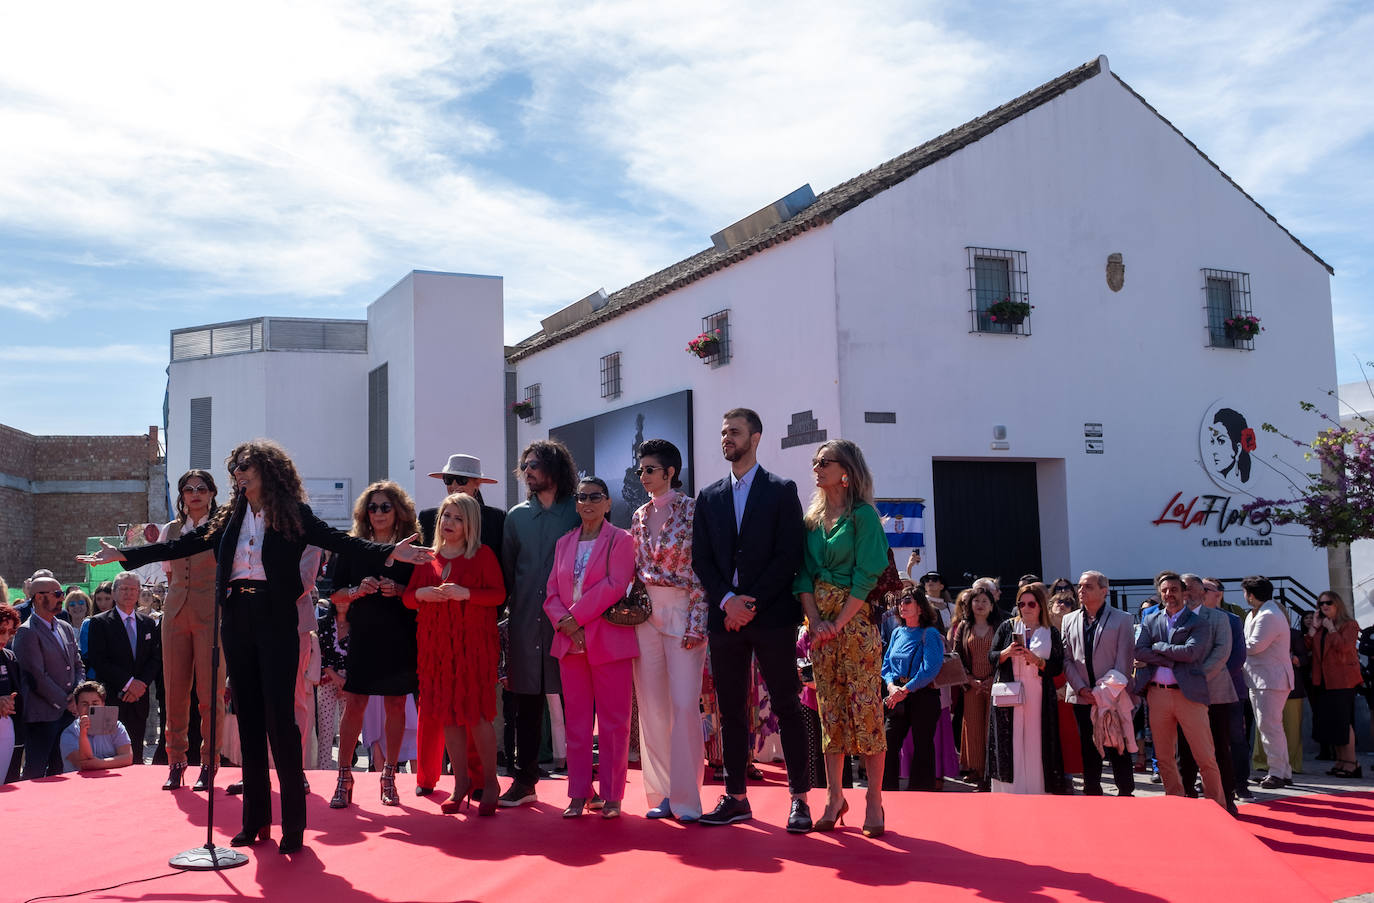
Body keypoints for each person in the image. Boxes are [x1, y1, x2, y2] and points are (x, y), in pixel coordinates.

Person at [79, 438, 432, 855]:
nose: (239, 473)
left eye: (246, 466)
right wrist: (124, 554)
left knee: (279, 719)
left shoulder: (292, 514)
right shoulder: (230, 515)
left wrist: (391, 551)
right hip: (237, 615)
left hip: (274, 615)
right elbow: (183, 546)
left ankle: (294, 828)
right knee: (246, 716)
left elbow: (342, 541)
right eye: (236, 468)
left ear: (268, 469)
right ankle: (255, 821)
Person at [692, 408, 812, 832]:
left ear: (756, 437)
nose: (727, 438)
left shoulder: (781, 491)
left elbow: (789, 554)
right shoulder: (708, 497)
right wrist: (727, 601)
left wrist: (750, 603)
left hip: (773, 617)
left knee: (786, 705)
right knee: (730, 710)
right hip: (724, 619)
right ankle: (736, 797)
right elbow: (701, 559)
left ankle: (799, 799)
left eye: (735, 432)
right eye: (723, 432)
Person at [794, 439, 887, 836]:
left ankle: (874, 800)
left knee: (866, 711)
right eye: (814, 461)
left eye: (824, 461)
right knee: (829, 713)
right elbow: (801, 575)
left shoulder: (863, 516)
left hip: (856, 624)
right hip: (820, 627)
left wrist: (840, 621)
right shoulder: (811, 520)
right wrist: (815, 620)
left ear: (846, 470)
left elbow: (868, 573)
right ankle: (835, 797)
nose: (816, 467)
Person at [414, 453, 507, 801]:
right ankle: (440, 778)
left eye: (462, 480)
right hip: (437, 642)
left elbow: (500, 588)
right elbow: (412, 592)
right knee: (442, 712)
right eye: (448, 480)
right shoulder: (427, 530)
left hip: (476, 634)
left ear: (478, 484)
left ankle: (486, 781)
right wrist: (421, 593)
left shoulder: (496, 523)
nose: (454, 486)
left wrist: (469, 595)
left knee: (476, 713)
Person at [543, 477, 638, 818]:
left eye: (595, 497)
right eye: (582, 497)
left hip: (608, 641)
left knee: (614, 724)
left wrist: (575, 619)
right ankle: (579, 793)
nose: (588, 502)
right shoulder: (564, 543)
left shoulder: (622, 539)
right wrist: (565, 624)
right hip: (570, 644)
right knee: (577, 725)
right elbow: (551, 592)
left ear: (608, 503)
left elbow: (616, 585)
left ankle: (612, 795)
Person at [324, 480, 419, 809]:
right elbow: (333, 594)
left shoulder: (412, 549)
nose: (378, 513)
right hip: (364, 636)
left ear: (398, 512)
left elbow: (422, 595)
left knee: (396, 707)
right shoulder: (353, 547)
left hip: (399, 636)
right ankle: (344, 776)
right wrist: (356, 591)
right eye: (373, 507)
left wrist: (400, 590)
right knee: (355, 706)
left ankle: (389, 775)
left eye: (385, 507)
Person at [629, 438, 709, 821]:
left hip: (683, 611)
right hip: (646, 614)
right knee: (653, 708)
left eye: (649, 469)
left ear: (670, 472)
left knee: (683, 706)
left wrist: (697, 621)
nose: (642, 476)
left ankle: (687, 797)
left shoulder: (694, 511)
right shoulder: (638, 514)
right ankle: (661, 794)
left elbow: (702, 572)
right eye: (640, 469)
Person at [500, 440, 580, 808]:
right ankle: (524, 780)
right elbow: (508, 573)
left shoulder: (578, 512)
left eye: (535, 464)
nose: (528, 470)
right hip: (525, 623)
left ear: (555, 468)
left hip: (571, 622)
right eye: (524, 465)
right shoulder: (515, 517)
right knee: (525, 704)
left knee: (579, 702)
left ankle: (583, 785)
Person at [1134, 572, 1225, 806]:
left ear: (1184, 593)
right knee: (1164, 758)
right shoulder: (1150, 620)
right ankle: (1176, 803)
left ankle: (1217, 805)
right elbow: (1139, 651)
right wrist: (1170, 658)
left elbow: (1191, 653)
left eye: (1173, 590)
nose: (1168, 595)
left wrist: (1159, 649)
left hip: (1189, 695)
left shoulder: (1198, 623)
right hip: (1157, 694)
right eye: (1164, 591)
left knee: (1204, 756)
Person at [1061, 571, 1136, 797]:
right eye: (1080, 586)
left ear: (1104, 590)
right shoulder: (1069, 619)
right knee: (1088, 745)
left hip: (1112, 695)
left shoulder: (1122, 619)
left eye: (1088, 587)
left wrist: (1102, 693)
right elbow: (1066, 658)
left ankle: (1125, 792)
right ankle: (1092, 791)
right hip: (1082, 695)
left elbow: (1124, 661)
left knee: (1117, 745)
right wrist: (1082, 689)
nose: (1081, 591)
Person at [987, 583, 1065, 794]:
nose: (1026, 607)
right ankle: (1008, 790)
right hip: (1010, 692)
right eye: (1021, 603)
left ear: (1040, 605)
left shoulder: (1051, 632)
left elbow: (1057, 666)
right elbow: (991, 657)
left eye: (1031, 603)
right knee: (1009, 740)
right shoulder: (1007, 627)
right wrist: (1006, 652)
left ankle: (1038, 789)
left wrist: (1037, 661)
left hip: (1038, 693)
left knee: (1036, 740)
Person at [83, 571, 161, 766]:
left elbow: (155, 658)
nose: (129, 593)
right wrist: (128, 684)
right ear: (115, 592)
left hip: (139, 699)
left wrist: (140, 684)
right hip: (112, 697)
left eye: (133, 589)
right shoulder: (99, 622)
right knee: (109, 753)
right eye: (124, 589)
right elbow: (99, 660)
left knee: (137, 753)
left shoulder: (148, 624)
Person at [13, 574, 84, 779]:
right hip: (42, 716)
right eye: (57, 594)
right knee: (35, 771)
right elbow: (37, 676)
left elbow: (78, 664)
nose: (62, 598)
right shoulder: (27, 632)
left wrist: (76, 695)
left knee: (61, 770)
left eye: (61, 593)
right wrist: (66, 701)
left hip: (67, 714)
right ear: (37, 598)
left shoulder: (65, 627)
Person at [1178, 573, 1238, 813]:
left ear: (1203, 592)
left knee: (1219, 747)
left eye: (1191, 588)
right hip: (1181, 694)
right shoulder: (1173, 618)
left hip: (1214, 692)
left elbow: (1223, 652)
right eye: (1183, 588)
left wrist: (1197, 677)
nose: (1187, 592)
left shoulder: (1219, 618)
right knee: (1185, 749)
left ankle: (1226, 798)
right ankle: (1187, 798)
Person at [882, 586, 944, 799]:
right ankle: (886, 793)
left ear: (920, 607)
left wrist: (905, 690)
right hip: (897, 695)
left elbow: (930, 669)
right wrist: (891, 687)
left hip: (923, 697)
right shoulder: (897, 632)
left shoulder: (931, 633)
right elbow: (886, 665)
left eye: (907, 601)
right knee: (888, 745)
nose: (902, 605)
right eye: (900, 601)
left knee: (923, 746)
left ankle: (921, 796)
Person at [1241, 575, 1294, 789]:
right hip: (1262, 679)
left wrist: (1230, 645)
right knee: (1270, 727)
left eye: (1245, 593)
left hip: (1270, 679)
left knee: (1269, 727)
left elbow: (1254, 646)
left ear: (1251, 596)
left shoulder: (1268, 615)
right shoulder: (1260, 613)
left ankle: (1277, 772)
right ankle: (1283, 771)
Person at [1308, 590, 1363, 778]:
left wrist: (1331, 629)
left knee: (1343, 722)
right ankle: (1341, 761)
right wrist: (1314, 628)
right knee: (1332, 723)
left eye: (1328, 603)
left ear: (1337, 604)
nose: (1324, 606)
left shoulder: (1349, 625)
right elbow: (1311, 649)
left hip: (1343, 680)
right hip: (1323, 681)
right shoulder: (1321, 627)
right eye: (1321, 604)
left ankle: (1352, 763)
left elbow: (1345, 648)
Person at [951, 586, 999, 790]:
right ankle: (976, 770)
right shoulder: (963, 626)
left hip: (994, 684)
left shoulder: (999, 626)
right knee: (973, 728)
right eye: (976, 601)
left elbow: (1003, 657)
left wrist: (991, 679)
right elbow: (957, 656)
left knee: (993, 727)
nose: (980, 605)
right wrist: (969, 680)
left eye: (984, 601)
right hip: (971, 686)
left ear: (992, 606)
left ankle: (992, 772)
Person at [60, 680, 134, 772]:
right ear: (77, 706)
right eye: (85, 704)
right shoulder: (69, 733)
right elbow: (85, 764)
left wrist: (100, 763)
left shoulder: (117, 726)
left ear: (103, 704)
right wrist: (83, 734)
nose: (90, 708)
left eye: (95, 704)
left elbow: (127, 757)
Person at [0, 603, 23, 784]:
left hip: (7, 729)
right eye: (2, 631)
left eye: (10, 632)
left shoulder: (9, 657)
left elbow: (19, 692)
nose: (6, 637)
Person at [80, 581, 115, 661]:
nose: (103, 603)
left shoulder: (124, 621)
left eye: (107, 599)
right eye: (99, 599)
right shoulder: (88, 623)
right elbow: (86, 653)